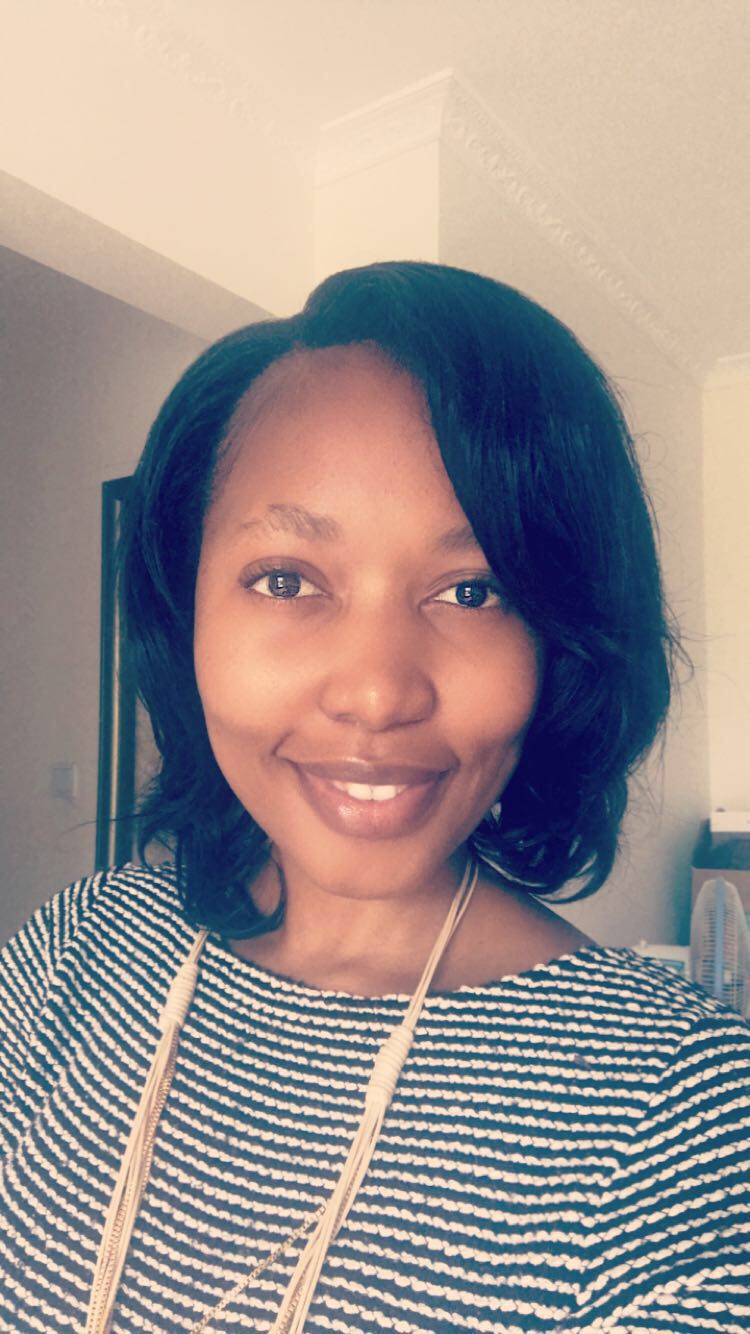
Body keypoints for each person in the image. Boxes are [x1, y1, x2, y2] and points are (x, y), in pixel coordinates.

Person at [0, 261, 747, 1334]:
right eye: (287, 579)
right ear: (186, 606)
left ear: (561, 638)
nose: (378, 691)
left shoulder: (684, 1118)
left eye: (473, 590)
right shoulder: (78, 947)